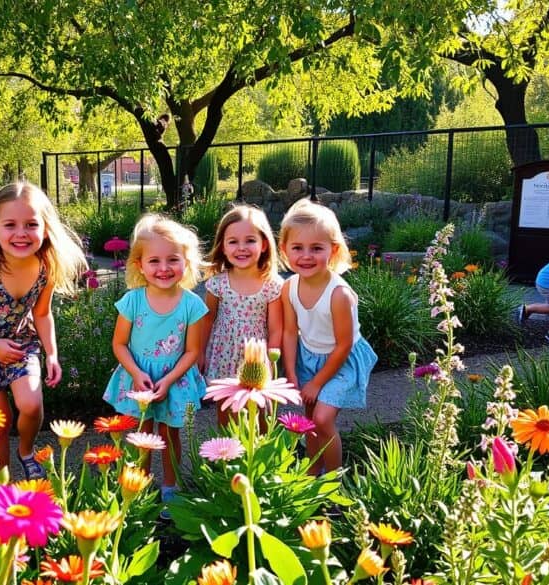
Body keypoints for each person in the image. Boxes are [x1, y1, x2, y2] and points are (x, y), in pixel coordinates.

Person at [0, 182, 87, 479]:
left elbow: (42, 313)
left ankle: (26, 450)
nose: (21, 233)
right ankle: (1, 480)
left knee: (31, 405)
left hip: (20, 343)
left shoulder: (46, 267)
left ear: (45, 229)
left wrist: (52, 354)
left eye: (31, 225)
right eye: (10, 225)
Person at [102, 214, 207, 516]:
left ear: (186, 262)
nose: (164, 268)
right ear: (139, 265)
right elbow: (119, 344)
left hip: (175, 379)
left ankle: (170, 488)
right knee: (142, 436)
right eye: (154, 261)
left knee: (171, 436)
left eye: (173, 259)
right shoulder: (132, 301)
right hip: (138, 378)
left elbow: (192, 351)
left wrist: (170, 379)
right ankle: (140, 487)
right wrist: (136, 373)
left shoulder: (192, 304)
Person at [279, 199, 377, 475]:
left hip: (341, 361)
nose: (306, 256)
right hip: (309, 357)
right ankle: (313, 475)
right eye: (297, 248)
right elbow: (290, 331)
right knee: (310, 421)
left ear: (333, 251)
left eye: (316, 248)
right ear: (284, 249)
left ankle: (334, 480)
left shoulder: (338, 295)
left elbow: (344, 345)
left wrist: (317, 383)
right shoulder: (289, 287)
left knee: (322, 419)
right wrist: (291, 373)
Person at [200, 205, 284, 428]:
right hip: (224, 353)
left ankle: (261, 448)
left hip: (255, 356)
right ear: (223, 247)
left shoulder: (272, 285)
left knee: (261, 411)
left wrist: (271, 360)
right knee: (226, 411)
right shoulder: (217, 284)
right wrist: (199, 352)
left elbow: (276, 328)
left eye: (250, 240)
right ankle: (227, 448)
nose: (241, 248)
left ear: (264, 244)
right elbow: (207, 319)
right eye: (233, 242)